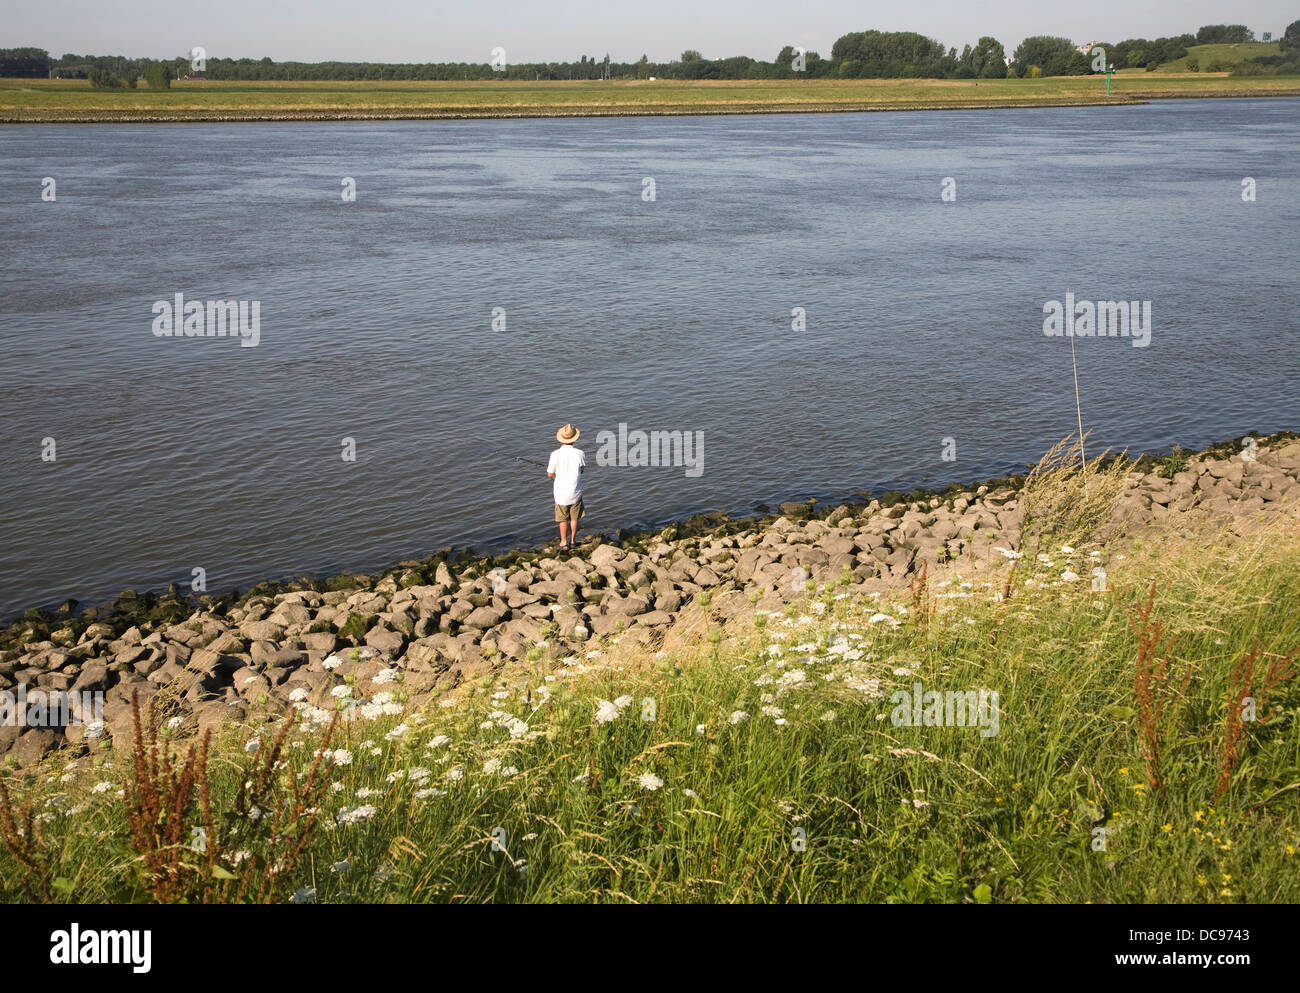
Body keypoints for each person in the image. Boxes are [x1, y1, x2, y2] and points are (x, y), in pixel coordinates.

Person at [547, 423, 586, 550]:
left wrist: (555, 477)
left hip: (560, 494)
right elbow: (582, 470)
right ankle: (573, 541)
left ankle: (564, 542)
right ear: (574, 438)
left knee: (563, 519)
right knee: (574, 518)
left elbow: (550, 474)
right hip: (576, 492)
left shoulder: (554, 454)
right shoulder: (580, 453)